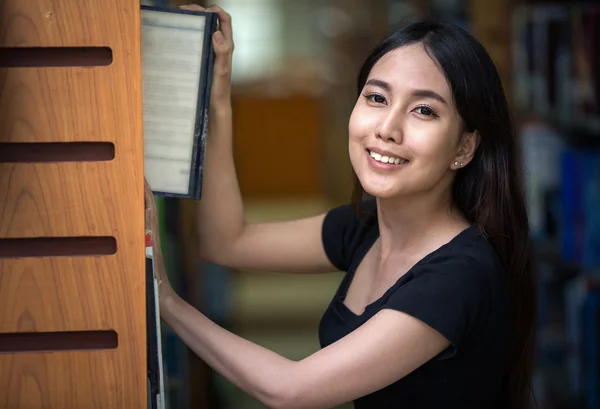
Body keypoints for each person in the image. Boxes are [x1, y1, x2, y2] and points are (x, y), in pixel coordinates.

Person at [144, 4, 537, 409]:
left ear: (464, 146)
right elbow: (226, 242)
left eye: (424, 110)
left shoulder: (459, 276)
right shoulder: (366, 226)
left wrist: (166, 301)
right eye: (377, 97)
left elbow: (290, 389)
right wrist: (219, 98)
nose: (387, 128)